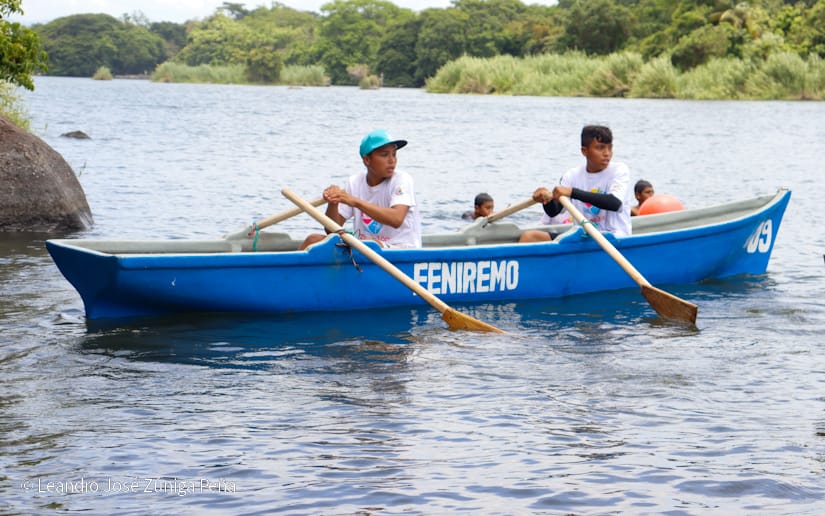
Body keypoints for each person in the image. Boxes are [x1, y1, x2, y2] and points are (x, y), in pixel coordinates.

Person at [298, 129, 422, 250]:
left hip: (400, 249)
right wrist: (333, 203)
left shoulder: (402, 180)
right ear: (367, 160)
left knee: (369, 244)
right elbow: (331, 230)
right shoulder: (355, 182)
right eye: (385, 155)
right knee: (313, 240)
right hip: (364, 249)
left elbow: (396, 219)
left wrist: (356, 202)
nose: (392, 160)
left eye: (394, 154)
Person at [519, 125, 632, 243]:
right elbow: (554, 211)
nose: (607, 153)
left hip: (615, 239)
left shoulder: (619, 170)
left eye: (610, 148)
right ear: (584, 151)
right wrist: (546, 200)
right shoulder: (572, 175)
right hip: (583, 239)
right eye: (600, 148)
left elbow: (614, 203)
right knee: (529, 237)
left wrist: (573, 192)